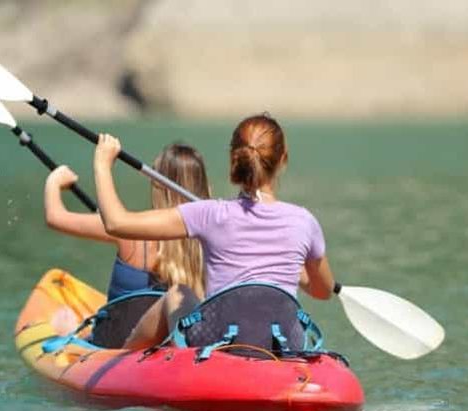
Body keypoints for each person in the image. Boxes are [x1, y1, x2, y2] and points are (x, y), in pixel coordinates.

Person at [92, 114, 336, 351]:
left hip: (220, 340)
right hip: (283, 343)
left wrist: (103, 164)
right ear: (283, 159)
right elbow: (323, 291)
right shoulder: (305, 222)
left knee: (178, 293)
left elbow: (116, 223)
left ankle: (123, 359)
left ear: (234, 159)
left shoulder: (209, 214)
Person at [43, 144, 211, 334]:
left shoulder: (131, 231)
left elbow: (56, 217)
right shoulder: (214, 233)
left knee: (64, 322)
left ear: (157, 184)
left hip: (118, 344)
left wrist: (54, 182)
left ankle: (72, 332)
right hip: (170, 342)